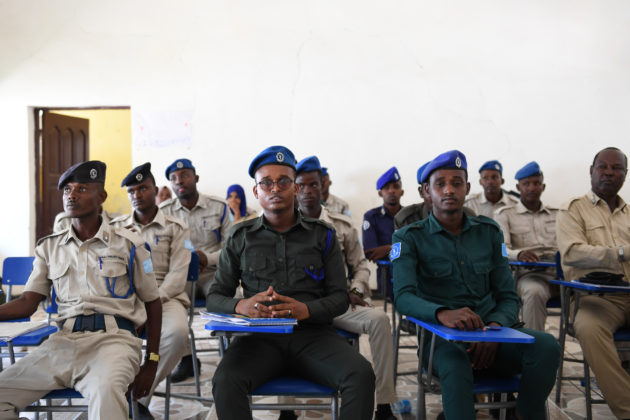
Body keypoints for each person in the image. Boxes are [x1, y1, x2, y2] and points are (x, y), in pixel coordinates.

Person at [207, 146, 375, 420]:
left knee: (361, 374)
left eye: (284, 181)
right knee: (225, 381)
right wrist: (242, 306)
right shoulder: (240, 236)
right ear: (256, 192)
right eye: (266, 182)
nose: (275, 188)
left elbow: (339, 297)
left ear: (295, 188)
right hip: (259, 340)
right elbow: (216, 296)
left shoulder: (323, 235)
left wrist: (305, 310)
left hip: (313, 336)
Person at [392, 150, 560, 420]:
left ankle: (524, 413)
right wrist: (442, 313)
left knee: (546, 346)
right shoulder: (409, 237)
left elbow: (507, 296)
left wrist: (493, 329)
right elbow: (403, 297)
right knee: (457, 367)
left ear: (467, 188)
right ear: (426, 192)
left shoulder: (489, 232)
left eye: (457, 183)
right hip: (444, 342)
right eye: (440, 184)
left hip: (495, 336)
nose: (449, 190)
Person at [0, 160, 162, 419]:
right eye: (67, 190)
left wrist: (151, 362)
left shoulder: (129, 244)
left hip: (114, 342)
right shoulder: (48, 248)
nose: (72, 195)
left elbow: (153, 302)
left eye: (82, 189)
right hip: (62, 343)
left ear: (102, 197)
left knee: (107, 393)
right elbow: (28, 302)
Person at [295, 156, 397, 420]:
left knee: (380, 320)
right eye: (301, 185)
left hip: (339, 304)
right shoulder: (284, 225)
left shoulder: (340, 225)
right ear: (295, 189)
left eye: (313, 185)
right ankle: (287, 410)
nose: (308, 191)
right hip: (300, 307)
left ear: (323, 186)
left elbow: (361, 266)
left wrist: (358, 291)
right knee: (284, 327)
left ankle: (384, 404)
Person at [111, 162, 192, 418]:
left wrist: (152, 304)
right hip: (127, 300)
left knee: (178, 334)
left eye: (143, 188)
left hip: (166, 297)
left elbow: (178, 275)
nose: (137, 195)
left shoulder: (176, 227)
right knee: (105, 337)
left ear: (155, 190)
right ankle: (114, 393)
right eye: (132, 191)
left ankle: (138, 397)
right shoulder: (116, 229)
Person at [556, 147, 630, 419]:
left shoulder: (629, 213)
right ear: (591, 171)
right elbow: (572, 253)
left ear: (625, 174)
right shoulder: (573, 209)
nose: (609, 173)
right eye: (603, 167)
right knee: (588, 328)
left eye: (617, 168)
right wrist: (620, 253)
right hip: (594, 300)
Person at [159, 158, 231, 381]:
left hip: (212, 273)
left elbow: (232, 248)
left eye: (185, 175)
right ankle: (188, 359)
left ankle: (232, 359)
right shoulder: (163, 212)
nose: (179, 181)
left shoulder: (219, 207)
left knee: (229, 301)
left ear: (196, 178)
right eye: (173, 178)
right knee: (172, 309)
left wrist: (206, 257)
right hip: (181, 276)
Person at [495, 162, 558, 332]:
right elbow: (500, 249)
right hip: (528, 276)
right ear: (518, 187)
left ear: (543, 186)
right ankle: (535, 346)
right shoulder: (505, 214)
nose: (532, 188)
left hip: (560, 276)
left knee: (594, 296)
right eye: (526, 184)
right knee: (534, 292)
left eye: (536, 183)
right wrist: (519, 254)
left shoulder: (559, 214)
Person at [395, 161, 476, 230]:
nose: (447, 191)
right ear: (422, 191)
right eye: (439, 185)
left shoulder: (468, 215)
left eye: (456, 183)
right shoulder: (405, 218)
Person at [362, 166, 404, 299]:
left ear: (401, 191)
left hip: (410, 274)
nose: (391, 191)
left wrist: (386, 249)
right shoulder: (371, 217)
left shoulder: (410, 215)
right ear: (380, 193)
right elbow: (371, 252)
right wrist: (402, 247)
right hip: (386, 276)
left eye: (395, 187)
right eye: (387, 188)